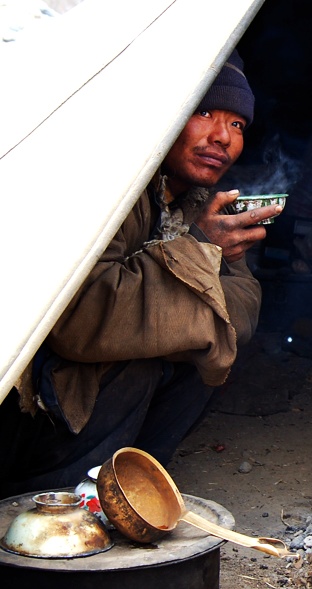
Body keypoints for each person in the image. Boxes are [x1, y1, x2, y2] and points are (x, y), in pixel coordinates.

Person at [0, 49, 280, 498]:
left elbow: (243, 310)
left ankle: (129, 491)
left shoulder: (195, 202)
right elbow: (80, 322)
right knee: (143, 362)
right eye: (204, 112)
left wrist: (200, 251)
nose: (222, 137)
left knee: (205, 357)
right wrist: (200, 250)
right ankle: (54, 499)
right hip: (25, 416)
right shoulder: (110, 189)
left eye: (237, 125)